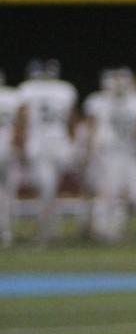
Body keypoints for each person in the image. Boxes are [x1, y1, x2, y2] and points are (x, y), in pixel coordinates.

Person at [81, 68, 136, 241]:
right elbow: (91, 127)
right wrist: (89, 150)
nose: (118, 86)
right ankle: (102, 228)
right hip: (107, 153)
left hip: (130, 153)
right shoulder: (98, 101)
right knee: (108, 192)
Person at [17, 59, 78, 244]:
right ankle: (51, 229)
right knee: (54, 188)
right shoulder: (65, 90)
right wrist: (73, 141)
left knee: (46, 189)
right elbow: (71, 119)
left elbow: (22, 117)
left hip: (40, 144)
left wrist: (20, 142)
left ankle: (47, 230)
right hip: (61, 144)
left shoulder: (27, 89)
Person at [0, 71, 20, 247]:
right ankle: (6, 233)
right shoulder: (14, 96)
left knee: (7, 193)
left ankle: (6, 232)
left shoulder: (14, 96)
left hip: (8, 148)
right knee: (8, 194)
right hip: (9, 148)